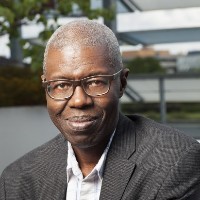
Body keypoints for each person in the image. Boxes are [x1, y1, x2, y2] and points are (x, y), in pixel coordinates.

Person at [0, 19, 200, 200]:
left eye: (95, 82)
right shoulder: (16, 179)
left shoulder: (177, 162)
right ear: (46, 87)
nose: (79, 100)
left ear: (121, 83)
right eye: (61, 85)